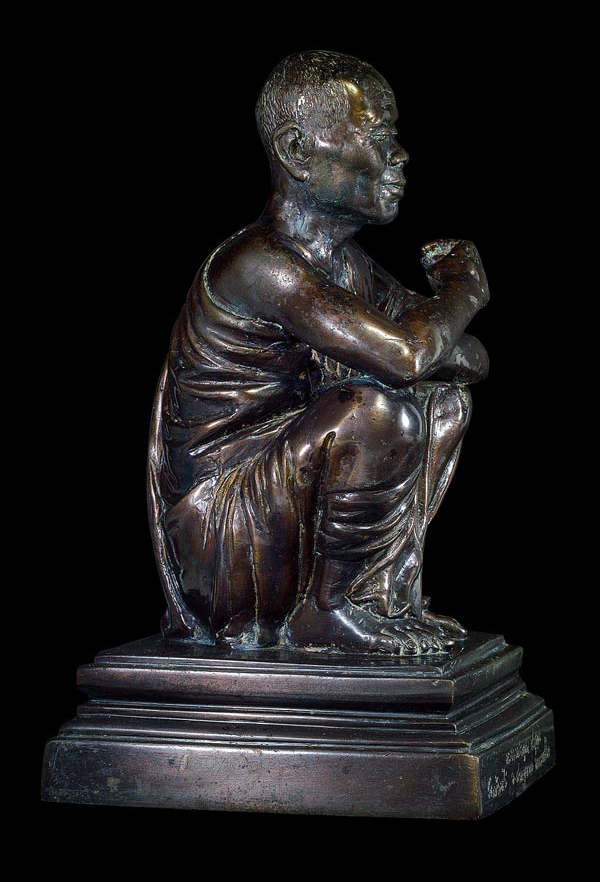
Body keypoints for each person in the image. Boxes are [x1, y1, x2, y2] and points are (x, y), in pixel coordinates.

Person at [148, 50, 489, 655]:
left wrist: (424, 341)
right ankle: (328, 609)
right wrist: (462, 291)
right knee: (379, 412)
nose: (400, 155)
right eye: (378, 136)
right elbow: (409, 353)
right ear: (297, 151)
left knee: (443, 403)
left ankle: (375, 596)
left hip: (282, 497)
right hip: (223, 534)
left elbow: (469, 358)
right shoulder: (262, 265)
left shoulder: (346, 266)